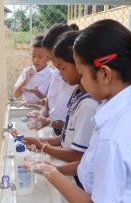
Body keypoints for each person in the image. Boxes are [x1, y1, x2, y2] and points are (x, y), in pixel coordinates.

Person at [24, 19, 131, 203]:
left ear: (104, 74)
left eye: (82, 74)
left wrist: (51, 173)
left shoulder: (113, 135)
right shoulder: (123, 106)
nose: (80, 81)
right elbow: (92, 163)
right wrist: (51, 167)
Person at [11, 31, 98, 188]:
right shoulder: (78, 94)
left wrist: (45, 150)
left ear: (78, 65)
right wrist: (40, 142)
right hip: (71, 163)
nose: (58, 72)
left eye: (61, 67)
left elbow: (79, 156)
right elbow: (68, 135)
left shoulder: (89, 104)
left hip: (83, 180)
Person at [28, 23, 78, 135]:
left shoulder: (79, 83)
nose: (54, 64)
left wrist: (48, 122)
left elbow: (75, 128)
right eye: (50, 59)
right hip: (57, 134)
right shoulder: (56, 74)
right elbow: (49, 103)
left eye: (52, 58)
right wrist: (40, 116)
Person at [13, 35, 52, 103]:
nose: (36, 60)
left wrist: (37, 93)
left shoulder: (52, 75)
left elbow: (51, 103)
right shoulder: (27, 71)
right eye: (33, 56)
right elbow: (16, 95)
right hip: (26, 109)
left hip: (42, 111)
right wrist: (26, 81)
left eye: (40, 57)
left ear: (48, 58)